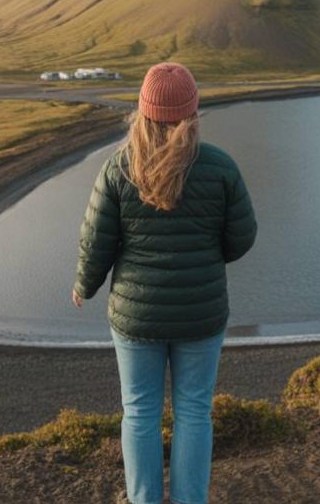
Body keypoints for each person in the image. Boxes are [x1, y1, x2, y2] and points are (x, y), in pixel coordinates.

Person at [72, 61, 258, 504]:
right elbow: (242, 238)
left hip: (136, 318)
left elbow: (97, 240)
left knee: (139, 414)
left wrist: (85, 284)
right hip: (201, 313)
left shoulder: (118, 168)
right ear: (192, 114)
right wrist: (209, 259)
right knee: (195, 412)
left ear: (143, 113)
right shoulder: (220, 168)